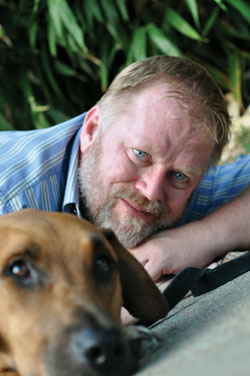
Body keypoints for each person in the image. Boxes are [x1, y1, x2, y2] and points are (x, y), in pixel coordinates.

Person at [1, 56, 250, 284]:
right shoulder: (10, 202)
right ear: (92, 130)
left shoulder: (180, 183)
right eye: (140, 155)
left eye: (179, 176)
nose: (152, 192)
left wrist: (199, 238)